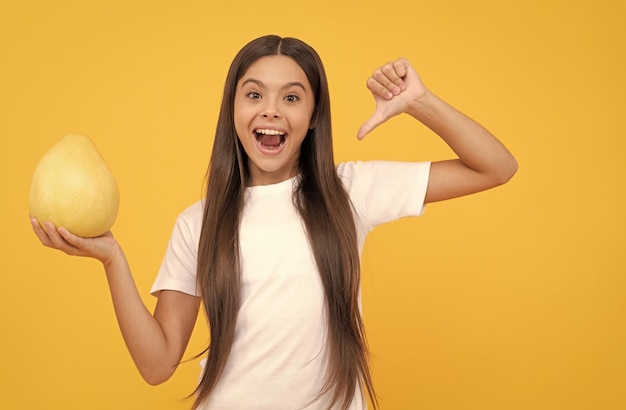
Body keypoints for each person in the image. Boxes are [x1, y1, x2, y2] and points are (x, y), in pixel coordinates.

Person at [30, 35, 518, 409]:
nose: (270, 111)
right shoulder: (197, 224)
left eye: (291, 97)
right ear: (234, 110)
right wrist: (112, 258)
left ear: (312, 116)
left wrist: (418, 102)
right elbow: (157, 365)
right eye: (254, 94)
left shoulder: (348, 192)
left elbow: (495, 166)